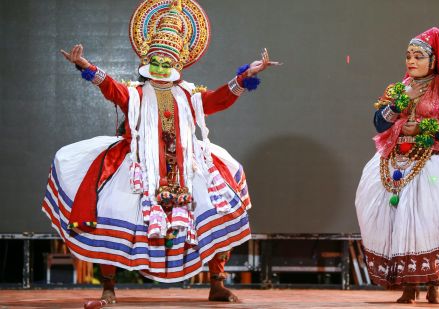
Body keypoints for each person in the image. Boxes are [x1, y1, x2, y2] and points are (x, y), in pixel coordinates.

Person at [41, 0, 278, 305]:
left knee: (220, 209)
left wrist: (247, 75)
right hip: (140, 166)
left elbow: (219, 99)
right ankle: (109, 287)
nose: (161, 69)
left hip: (185, 167)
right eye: (156, 63)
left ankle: (217, 283)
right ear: (147, 62)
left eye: (167, 64)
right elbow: (110, 87)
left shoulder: (189, 96)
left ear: (177, 64)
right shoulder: (135, 94)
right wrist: (86, 66)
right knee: (111, 211)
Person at [355, 27, 439, 304]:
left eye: (418, 56)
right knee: (396, 222)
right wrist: (399, 108)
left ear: (432, 60)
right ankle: (408, 288)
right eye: (408, 56)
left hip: (432, 165)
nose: (411, 61)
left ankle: (435, 286)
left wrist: (429, 130)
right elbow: (379, 123)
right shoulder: (398, 89)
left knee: (435, 221)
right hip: (395, 162)